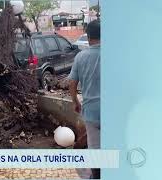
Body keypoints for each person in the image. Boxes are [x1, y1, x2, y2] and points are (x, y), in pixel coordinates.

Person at [68, 19, 100, 179]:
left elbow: (72, 83)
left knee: (94, 148)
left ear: (88, 37)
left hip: (91, 113)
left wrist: (75, 102)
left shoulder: (81, 57)